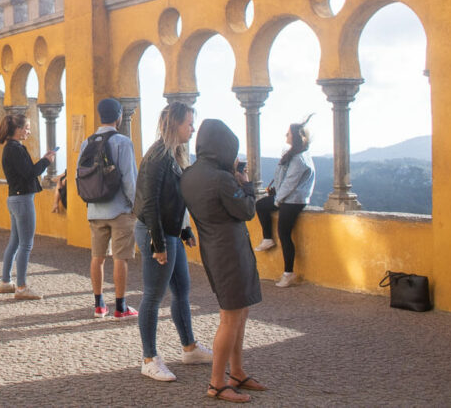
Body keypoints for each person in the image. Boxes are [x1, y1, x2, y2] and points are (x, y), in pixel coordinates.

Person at [181, 119, 264, 404]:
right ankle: (217, 383)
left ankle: (237, 373)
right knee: (231, 318)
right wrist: (246, 184)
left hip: (214, 250)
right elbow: (247, 210)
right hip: (231, 252)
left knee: (238, 312)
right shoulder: (222, 179)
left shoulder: (190, 175)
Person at [133, 102, 214, 382]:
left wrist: (184, 230)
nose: (192, 129)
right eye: (188, 124)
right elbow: (151, 202)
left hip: (170, 231)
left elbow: (174, 199)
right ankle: (149, 358)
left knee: (182, 290)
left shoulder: (174, 154)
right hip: (154, 231)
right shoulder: (158, 156)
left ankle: (189, 348)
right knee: (153, 296)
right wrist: (158, 245)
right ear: (174, 125)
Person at [79, 97, 139, 319]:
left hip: (95, 208)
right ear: (119, 116)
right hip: (119, 209)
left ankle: (98, 305)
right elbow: (130, 179)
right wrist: (136, 207)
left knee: (98, 257)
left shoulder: (87, 142)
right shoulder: (122, 142)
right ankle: (121, 307)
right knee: (120, 258)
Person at [0, 112, 56, 300]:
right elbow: (29, 173)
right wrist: (47, 161)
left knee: (14, 241)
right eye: (27, 128)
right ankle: (21, 287)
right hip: (22, 200)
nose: (29, 131)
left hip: (14, 198)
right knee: (25, 244)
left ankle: (6, 282)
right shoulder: (15, 149)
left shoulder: (10, 148)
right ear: (18, 129)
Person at [254, 118, 316, 288]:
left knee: (284, 233)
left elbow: (291, 182)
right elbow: (282, 178)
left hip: (293, 201)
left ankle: (288, 273)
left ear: (295, 136)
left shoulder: (299, 159)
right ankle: (267, 238)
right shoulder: (295, 155)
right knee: (260, 205)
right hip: (287, 197)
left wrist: (277, 200)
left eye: (288, 133)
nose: (285, 135)